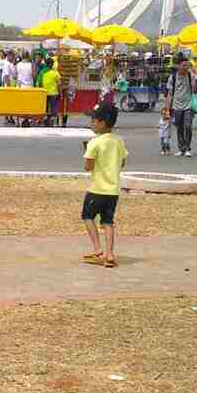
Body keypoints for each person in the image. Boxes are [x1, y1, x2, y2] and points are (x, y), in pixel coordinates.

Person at [82, 102, 127, 269]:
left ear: (101, 123)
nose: (91, 123)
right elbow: (122, 162)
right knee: (108, 221)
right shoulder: (118, 141)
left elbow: (88, 166)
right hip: (113, 190)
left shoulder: (95, 142)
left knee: (87, 216)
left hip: (97, 188)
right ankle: (110, 254)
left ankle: (97, 248)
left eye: (93, 120)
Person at [166, 54, 197, 157]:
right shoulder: (173, 77)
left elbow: (195, 91)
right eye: (184, 65)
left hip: (188, 105)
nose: (186, 67)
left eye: (187, 65)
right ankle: (181, 148)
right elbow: (169, 94)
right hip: (176, 106)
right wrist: (167, 109)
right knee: (179, 127)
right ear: (178, 66)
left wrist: (195, 80)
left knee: (188, 126)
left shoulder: (191, 75)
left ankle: (188, 148)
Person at [42, 61, 62, 125]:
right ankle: (52, 121)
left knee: (46, 107)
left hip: (45, 93)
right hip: (54, 93)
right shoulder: (56, 73)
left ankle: (46, 119)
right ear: (52, 65)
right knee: (53, 108)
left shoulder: (43, 72)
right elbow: (59, 84)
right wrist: (60, 93)